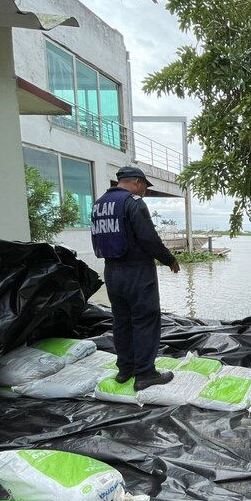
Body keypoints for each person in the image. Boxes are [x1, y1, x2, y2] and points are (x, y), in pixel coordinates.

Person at [90, 166, 180, 391]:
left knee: (121, 320)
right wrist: (169, 260)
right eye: (145, 187)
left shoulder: (99, 204)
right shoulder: (133, 202)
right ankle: (145, 374)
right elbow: (149, 238)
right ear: (137, 182)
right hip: (137, 272)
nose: (145, 192)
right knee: (145, 320)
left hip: (111, 271)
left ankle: (125, 369)